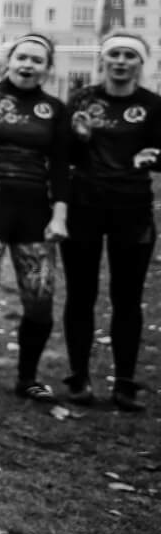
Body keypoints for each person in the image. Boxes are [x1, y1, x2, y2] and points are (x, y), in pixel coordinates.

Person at [0, 34, 70, 403]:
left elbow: (61, 169)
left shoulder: (54, 108)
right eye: (22, 57)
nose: (28, 65)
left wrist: (60, 215)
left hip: (35, 211)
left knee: (39, 296)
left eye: (37, 60)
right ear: (9, 59)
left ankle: (27, 378)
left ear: (48, 68)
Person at [61, 31, 161, 411]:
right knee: (81, 294)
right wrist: (80, 137)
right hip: (84, 206)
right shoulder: (83, 100)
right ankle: (79, 378)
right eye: (114, 54)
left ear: (140, 62)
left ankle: (124, 383)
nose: (121, 61)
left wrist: (154, 157)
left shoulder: (153, 106)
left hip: (132, 209)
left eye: (129, 55)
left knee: (127, 298)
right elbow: (64, 152)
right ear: (103, 60)